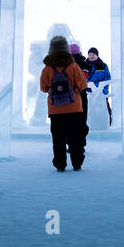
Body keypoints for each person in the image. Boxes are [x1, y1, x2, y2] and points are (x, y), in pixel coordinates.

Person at [40, 35, 88, 172]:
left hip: (55, 110)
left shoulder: (47, 69)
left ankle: (60, 164)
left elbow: (43, 88)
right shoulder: (73, 66)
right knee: (75, 136)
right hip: (74, 108)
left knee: (58, 138)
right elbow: (83, 84)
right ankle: (77, 162)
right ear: (66, 49)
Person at [83, 47, 112, 126]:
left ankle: (107, 124)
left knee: (105, 109)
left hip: (101, 93)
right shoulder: (84, 65)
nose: (91, 56)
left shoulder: (103, 66)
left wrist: (102, 91)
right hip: (88, 93)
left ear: (97, 55)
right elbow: (81, 78)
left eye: (93, 54)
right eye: (90, 54)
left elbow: (107, 79)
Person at [68, 43, 90, 139]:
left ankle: (70, 142)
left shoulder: (67, 64)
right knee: (82, 118)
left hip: (69, 95)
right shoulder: (84, 63)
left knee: (70, 119)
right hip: (82, 94)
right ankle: (81, 142)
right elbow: (85, 78)